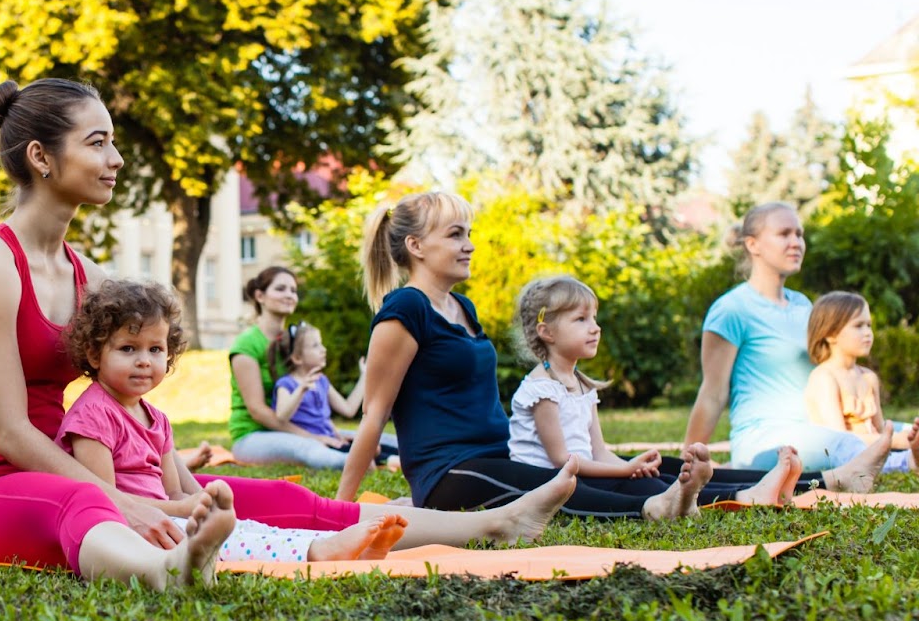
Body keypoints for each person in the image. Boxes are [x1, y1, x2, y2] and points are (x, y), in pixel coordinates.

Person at [0, 80, 575, 590]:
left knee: (264, 496)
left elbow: (124, 397)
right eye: (98, 143)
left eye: (113, 142)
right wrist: (124, 502)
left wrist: (165, 487)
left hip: (78, 474)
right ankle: (166, 573)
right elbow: (9, 433)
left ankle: (497, 522)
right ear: (41, 157)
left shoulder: (86, 274)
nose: (116, 159)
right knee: (85, 505)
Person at [336, 191, 802, 519]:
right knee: (567, 482)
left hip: (501, 453)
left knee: (631, 468)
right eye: (456, 235)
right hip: (450, 475)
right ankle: (654, 508)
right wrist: (340, 509)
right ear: (415, 246)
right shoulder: (404, 310)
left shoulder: (463, 308)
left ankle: (756, 488)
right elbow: (374, 417)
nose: (470, 244)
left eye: (469, 233)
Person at [57, 278, 407, 563]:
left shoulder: (156, 419)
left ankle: (333, 544)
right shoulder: (92, 416)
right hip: (134, 532)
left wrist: (209, 505)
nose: (145, 361)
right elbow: (107, 501)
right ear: (94, 353)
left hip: (169, 516)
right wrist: (184, 509)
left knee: (246, 528)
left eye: (156, 349)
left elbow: (178, 488)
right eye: (128, 349)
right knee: (226, 542)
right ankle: (317, 551)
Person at [509, 274, 811, 506]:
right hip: (551, 485)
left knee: (658, 479)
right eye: (581, 319)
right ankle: (744, 495)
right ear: (546, 332)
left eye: (594, 318)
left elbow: (598, 451)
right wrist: (625, 471)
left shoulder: (581, 385)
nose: (595, 327)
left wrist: (632, 466)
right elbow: (562, 460)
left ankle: (750, 491)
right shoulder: (542, 390)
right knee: (647, 490)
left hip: (580, 475)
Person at [684, 201, 891, 487]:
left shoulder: (802, 305)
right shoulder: (731, 309)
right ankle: (906, 462)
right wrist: (687, 460)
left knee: (890, 431)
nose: (796, 242)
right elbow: (712, 393)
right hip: (761, 440)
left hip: (815, 432)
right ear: (753, 244)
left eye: (800, 234)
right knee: (849, 447)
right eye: (784, 234)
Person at [228, 267, 396, 468]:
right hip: (254, 436)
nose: (289, 295)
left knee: (374, 437)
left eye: (293, 290)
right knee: (310, 448)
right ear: (260, 296)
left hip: (294, 429)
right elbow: (258, 411)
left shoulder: (292, 342)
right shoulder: (246, 345)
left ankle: (400, 456)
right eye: (281, 289)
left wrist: (323, 433)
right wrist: (314, 437)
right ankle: (358, 465)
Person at [804, 290, 919, 473]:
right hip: (843, 459)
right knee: (900, 459)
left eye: (869, 325)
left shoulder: (868, 377)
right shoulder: (824, 378)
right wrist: (896, 440)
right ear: (830, 334)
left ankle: (908, 456)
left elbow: (880, 430)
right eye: (858, 326)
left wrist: (900, 437)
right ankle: (908, 460)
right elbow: (839, 442)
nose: (868, 333)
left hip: (875, 452)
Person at [271, 322, 392, 465]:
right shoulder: (286, 384)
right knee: (373, 451)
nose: (323, 349)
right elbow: (281, 416)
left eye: (321, 344)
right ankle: (391, 462)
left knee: (382, 448)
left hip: (333, 440)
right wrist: (301, 389)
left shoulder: (321, 380)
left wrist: (364, 375)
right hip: (318, 445)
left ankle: (392, 460)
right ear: (297, 358)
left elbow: (348, 409)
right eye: (316, 346)